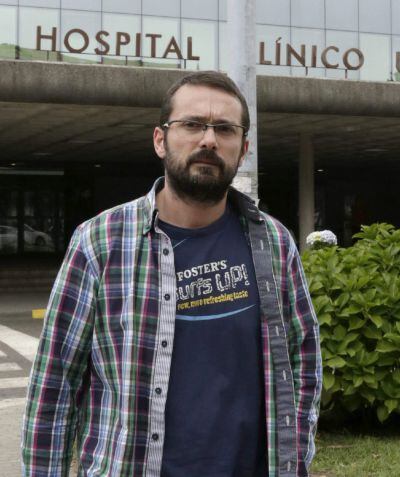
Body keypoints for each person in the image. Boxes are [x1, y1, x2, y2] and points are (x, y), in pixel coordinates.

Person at [21, 71, 321, 477]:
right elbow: (54, 387)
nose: (209, 140)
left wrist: (294, 456)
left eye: (224, 129)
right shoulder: (100, 242)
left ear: (243, 147)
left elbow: (303, 361)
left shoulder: (275, 243)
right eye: (193, 124)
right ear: (160, 140)